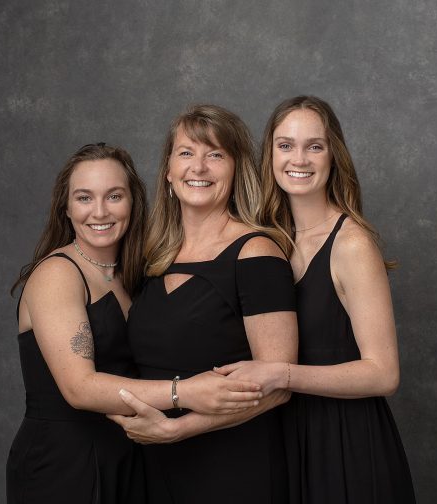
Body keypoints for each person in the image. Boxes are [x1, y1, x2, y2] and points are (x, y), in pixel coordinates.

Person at [6, 143, 263, 503]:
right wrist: (186, 392)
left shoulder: (135, 274)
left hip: (130, 454)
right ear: (65, 208)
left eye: (114, 196)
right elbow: (79, 387)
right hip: (65, 462)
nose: (99, 211)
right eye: (84, 198)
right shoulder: (57, 274)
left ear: (132, 203)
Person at [214, 96, 416, 503]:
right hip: (286, 439)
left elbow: (384, 373)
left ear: (333, 155)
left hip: (347, 444)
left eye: (314, 146)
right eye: (286, 145)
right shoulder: (269, 243)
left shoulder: (352, 244)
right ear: (269, 154)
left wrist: (281, 374)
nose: (299, 159)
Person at [108, 105, 298, 504]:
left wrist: (177, 430)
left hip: (234, 468)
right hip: (157, 468)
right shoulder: (151, 257)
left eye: (215, 155)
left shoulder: (256, 253)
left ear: (235, 170)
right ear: (168, 172)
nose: (200, 167)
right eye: (186, 153)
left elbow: (278, 387)